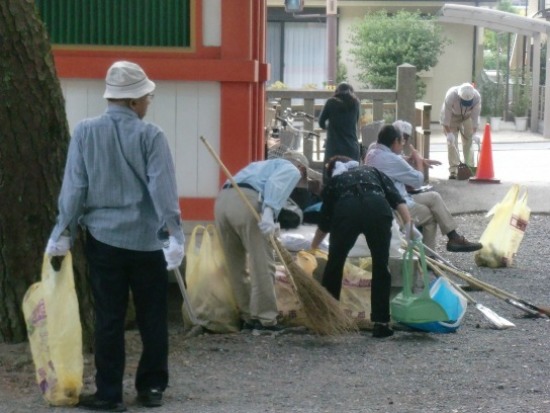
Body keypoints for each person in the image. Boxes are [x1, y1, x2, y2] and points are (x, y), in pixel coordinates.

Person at [45, 61, 185, 411]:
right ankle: (151, 388)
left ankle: (109, 393)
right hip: (147, 242)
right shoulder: (152, 135)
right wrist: (175, 235)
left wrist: (62, 231)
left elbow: (75, 188)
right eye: (147, 97)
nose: (148, 103)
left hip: (103, 240)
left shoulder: (85, 132)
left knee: (109, 316)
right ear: (136, 101)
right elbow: (163, 190)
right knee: (153, 315)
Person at [310, 156, 419, 338]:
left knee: (335, 264)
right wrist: (408, 224)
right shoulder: (372, 171)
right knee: (380, 264)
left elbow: (324, 223)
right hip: (377, 208)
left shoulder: (335, 182)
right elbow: (397, 199)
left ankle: (330, 319)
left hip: (347, 210)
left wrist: (312, 247)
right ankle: (381, 323)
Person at [214, 155, 307, 332]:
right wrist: (269, 211)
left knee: (236, 267)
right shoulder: (291, 168)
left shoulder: (259, 165)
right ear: (301, 167)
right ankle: (265, 319)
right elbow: (276, 185)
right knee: (262, 264)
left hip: (222, 202)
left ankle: (247, 317)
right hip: (246, 202)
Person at [364, 124, 482, 254]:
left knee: (434, 197)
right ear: (394, 142)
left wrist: (414, 159)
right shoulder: (392, 159)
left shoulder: (372, 152)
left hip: (389, 200)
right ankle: (428, 259)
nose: (403, 144)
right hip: (396, 207)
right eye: (401, 141)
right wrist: (419, 161)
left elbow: (395, 160)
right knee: (431, 216)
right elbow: (418, 181)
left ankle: (453, 237)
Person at [318, 82, 361, 182]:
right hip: (351, 147)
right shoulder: (356, 103)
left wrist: (330, 126)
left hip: (334, 148)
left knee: (330, 179)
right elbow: (356, 120)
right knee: (352, 178)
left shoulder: (331, 102)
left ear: (336, 91)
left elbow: (321, 123)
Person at [440, 83, 482, 179]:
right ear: (459, 96)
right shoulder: (451, 95)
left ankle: (469, 168)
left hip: (467, 117)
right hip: (452, 116)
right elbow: (445, 118)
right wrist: (449, 133)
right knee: (452, 143)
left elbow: (475, 118)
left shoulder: (476, 98)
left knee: (468, 141)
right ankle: (454, 170)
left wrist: (474, 133)